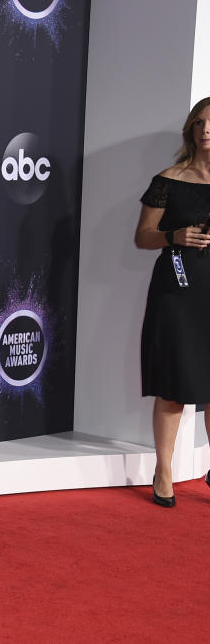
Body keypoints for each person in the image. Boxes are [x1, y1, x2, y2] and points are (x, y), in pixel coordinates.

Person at [134, 96, 210, 507]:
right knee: (174, 386)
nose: (205, 131)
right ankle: (163, 472)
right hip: (177, 293)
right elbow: (142, 236)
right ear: (190, 130)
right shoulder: (168, 179)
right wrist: (173, 236)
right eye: (199, 123)